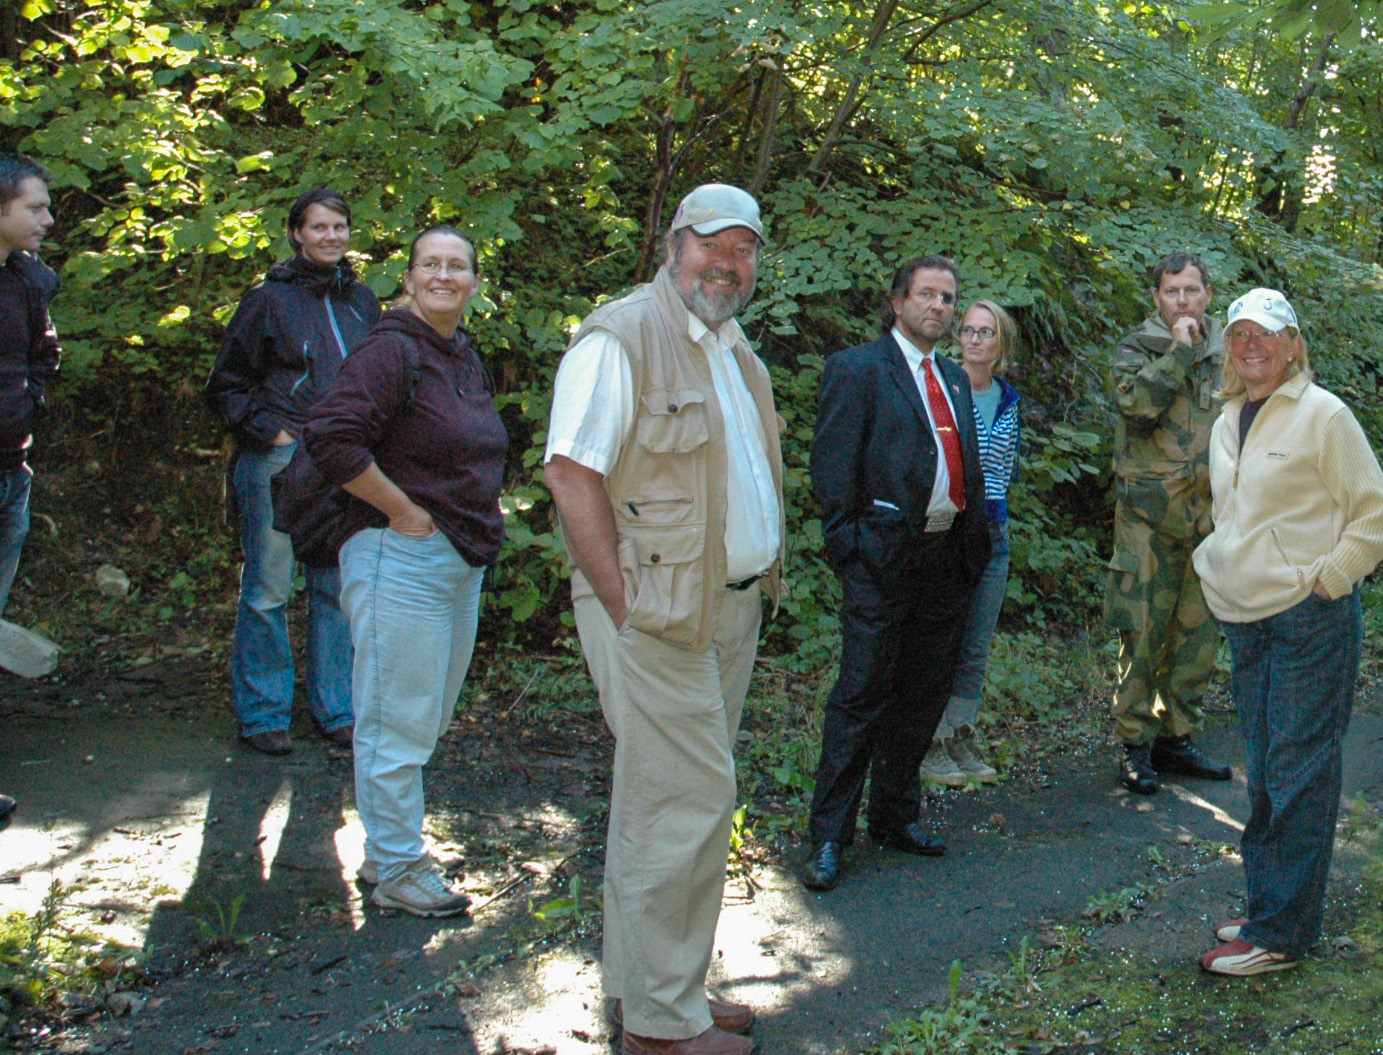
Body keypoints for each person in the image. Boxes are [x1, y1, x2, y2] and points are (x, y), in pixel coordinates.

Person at [544, 184, 782, 1055]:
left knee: (662, 800)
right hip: (658, 616)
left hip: (728, 608)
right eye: (711, 245)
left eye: (744, 249)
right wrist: (624, 604)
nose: (727, 263)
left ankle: (657, 985)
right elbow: (570, 472)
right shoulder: (621, 337)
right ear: (673, 245)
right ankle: (659, 1027)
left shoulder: (732, 348)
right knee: (687, 799)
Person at [304, 226, 508, 918]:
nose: (444, 276)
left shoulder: (459, 353)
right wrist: (402, 511)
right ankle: (397, 866)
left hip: (458, 557)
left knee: (425, 715)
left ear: (474, 282)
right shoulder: (391, 349)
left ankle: (385, 849)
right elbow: (332, 434)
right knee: (395, 719)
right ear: (410, 277)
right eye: (430, 264)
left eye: (457, 266)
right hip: (400, 555)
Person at [1192, 289, 1383, 976]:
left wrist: (1328, 579)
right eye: (1239, 334)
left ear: (1293, 344)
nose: (1252, 346)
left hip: (1310, 617)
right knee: (1264, 767)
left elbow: (1375, 515)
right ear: (1228, 348)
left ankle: (1279, 933)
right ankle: (1270, 910)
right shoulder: (1227, 418)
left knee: (1298, 770)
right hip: (1246, 617)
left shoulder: (1324, 415)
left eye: (1267, 334)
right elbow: (1234, 517)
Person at [802, 255, 991, 893]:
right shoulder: (857, 369)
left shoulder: (954, 378)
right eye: (927, 294)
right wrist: (851, 548)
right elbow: (833, 468)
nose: (939, 306)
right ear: (897, 302)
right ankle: (829, 836)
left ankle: (894, 817)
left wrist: (972, 551)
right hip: (881, 559)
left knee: (922, 695)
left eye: (948, 297)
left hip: (946, 560)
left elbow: (965, 465)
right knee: (860, 696)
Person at [206, 189, 380, 756]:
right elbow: (227, 384)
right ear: (297, 234)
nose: (331, 236)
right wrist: (271, 433)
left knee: (336, 588)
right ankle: (264, 714)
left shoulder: (362, 302)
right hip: (280, 458)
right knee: (267, 589)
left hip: (344, 460)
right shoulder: (268, 300)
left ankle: (337, 709)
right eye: (319, 227)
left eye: (340, 226)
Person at [1105, 252, 1233, 795]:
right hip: (1148, 519)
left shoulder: (1230, 350)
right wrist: (1179, 351)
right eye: (1172, 291)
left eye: (1192, 290)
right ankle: (1135, 743)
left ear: (1208, 295)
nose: (1183, 301)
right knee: (1142, 633)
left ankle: (1177, 737)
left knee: (1197, 636)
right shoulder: (1136, 349)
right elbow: (1136, 407)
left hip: (1210, 517)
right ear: (1156, 298)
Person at [919, 299, 1022, 788]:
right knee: (941, 640)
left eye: (986, 332)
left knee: (975, 645)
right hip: (949, 530)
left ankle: (961, 733)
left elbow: (1005, 467)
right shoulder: (941, 386)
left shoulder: (1008, 399)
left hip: (994, 532)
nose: (975, 340)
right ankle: (931, 740)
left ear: (1002, 343)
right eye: (969, 330)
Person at [0, 154, 60, 826]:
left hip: (10, 473)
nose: (46, 218)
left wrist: (27, 405)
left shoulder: (29, 281)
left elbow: (42, 356)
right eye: (34, 207)